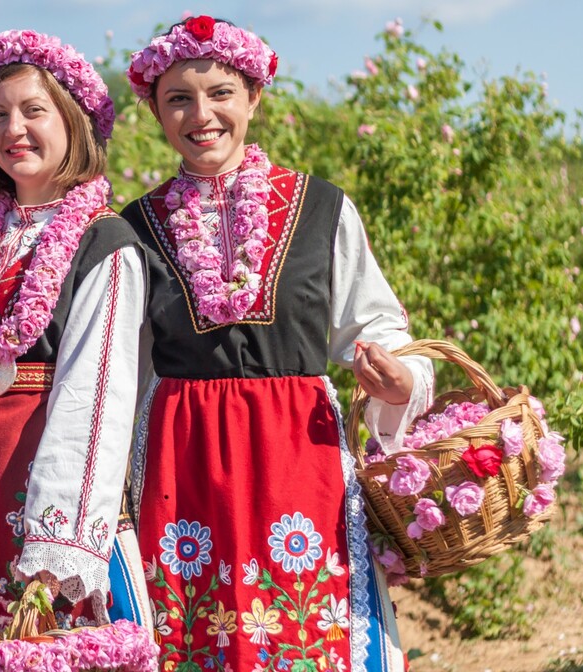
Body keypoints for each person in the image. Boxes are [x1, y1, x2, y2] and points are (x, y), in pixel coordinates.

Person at [116, 16, 434, 672]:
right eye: (179, 98)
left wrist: (400, 380)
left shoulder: (323, 209)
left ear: (254, 97)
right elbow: (117, 367)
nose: (201, 114)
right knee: (193, 639)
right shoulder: (133, 228)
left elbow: (377, 328)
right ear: (156, 112)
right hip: (184, 468)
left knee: (309, 639)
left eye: (220, 93)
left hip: (299, 459)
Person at [0, 30, 147, 645]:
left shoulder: (104, 243)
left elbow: (97, 396)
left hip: (42, 475)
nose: (13, 129)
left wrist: (57, 536)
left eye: (33, 111)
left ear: (73, 121)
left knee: (40, 644)